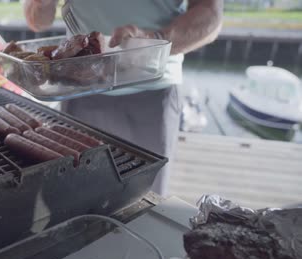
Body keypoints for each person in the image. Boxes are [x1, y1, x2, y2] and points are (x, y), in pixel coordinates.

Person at [24, 0, 223, 196]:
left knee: (144, 200)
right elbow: (37, 20)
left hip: (153, 91)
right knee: (74, 196)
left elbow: (211, 15)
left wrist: (152, 40)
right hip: (78, 89)